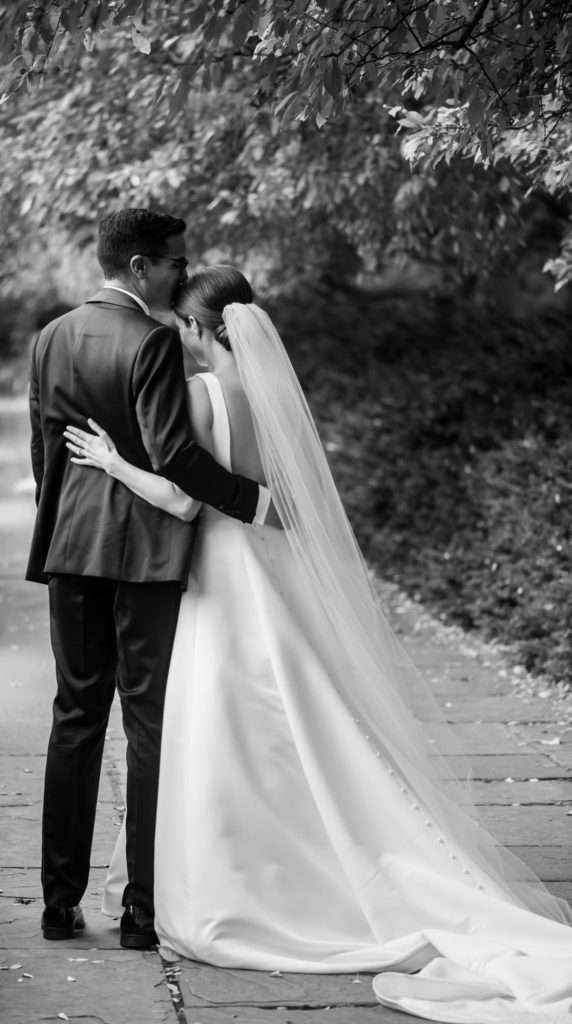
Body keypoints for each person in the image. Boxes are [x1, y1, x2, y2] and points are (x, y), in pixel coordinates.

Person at [64, 265, 572, 1023]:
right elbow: (281, 503)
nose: (179, 338)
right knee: (306, 719)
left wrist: (112, 462)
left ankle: (243, 885)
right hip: (274, 570)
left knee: (229, 728)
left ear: (202, 331)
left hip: (221, 579)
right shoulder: (277, 400)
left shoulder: (200, 395)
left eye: (184, 327)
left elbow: (180, 495)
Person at [26, 214, 272, 946]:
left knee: (74, 719)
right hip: (145, 556)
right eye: (174, 262)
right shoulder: (154, 340)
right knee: (147, 724)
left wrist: (62, 523)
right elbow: (175, 454)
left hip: (72, 548)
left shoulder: (52, 336)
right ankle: (140, 911)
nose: (180, 273)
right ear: (139, 266)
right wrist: (252, 502)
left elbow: (45, 451)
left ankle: (58, 904)